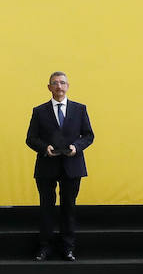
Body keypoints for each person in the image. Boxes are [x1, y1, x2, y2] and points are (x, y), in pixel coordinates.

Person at [24, 71, 95, 262]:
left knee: (69, 208)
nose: (59, 86)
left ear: (68, 86)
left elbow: (89, 136)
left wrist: (76, 147)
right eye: (55, 83)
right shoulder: (39, 111)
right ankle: (44, 247)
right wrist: (43, 147)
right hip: (47, 165)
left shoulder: (80, 109)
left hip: (72, 165)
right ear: (49, 87)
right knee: (46, 208)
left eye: (63, 83)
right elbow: (30, 138)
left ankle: (68, 248)